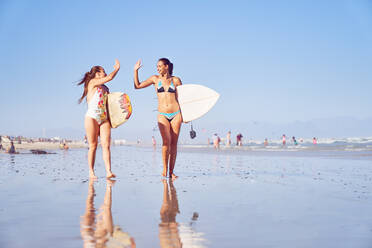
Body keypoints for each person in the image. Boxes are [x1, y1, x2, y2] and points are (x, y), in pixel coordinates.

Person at [134, 58, 182, 179]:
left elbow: (183, 99)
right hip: (162, 114)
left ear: (166, 66)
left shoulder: (176, 80)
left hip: (176, 113)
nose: (158, 68)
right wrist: (135, 71)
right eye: (157, 66)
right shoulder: (155, 79)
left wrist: (186, 115)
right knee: (166, 142)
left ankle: (171, 172)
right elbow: (137, 86)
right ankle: (165, 168)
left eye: (160, 66)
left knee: (174, 144)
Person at [78, 59, 120, 179]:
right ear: (97, 74)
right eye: (103, 72)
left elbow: (109, 106)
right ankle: (91, 172)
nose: (105, 73)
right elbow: (111, 77)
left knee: (106, 145)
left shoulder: (106, 88)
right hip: (91, 117)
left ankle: (108, 172)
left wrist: (114, 120)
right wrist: (116, 69)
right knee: (93, 145)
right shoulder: (92, 82)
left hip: (104, 118)